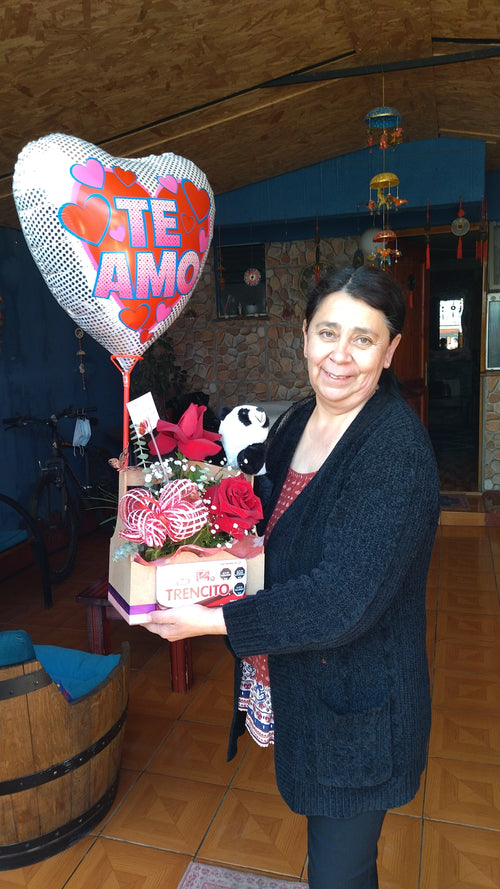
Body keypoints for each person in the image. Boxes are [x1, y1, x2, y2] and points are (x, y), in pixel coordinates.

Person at [140, 265, 440, 889]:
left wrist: (210, 621)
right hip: (308, 688)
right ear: (304, 335)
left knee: (339, 873)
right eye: (328, 332)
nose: (340, 355)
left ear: (390, 351)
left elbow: (341, 600)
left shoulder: (394, 451)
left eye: (363, 338)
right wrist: (191, 549)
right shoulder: (298, 422)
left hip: (358, 709)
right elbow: (262, 533)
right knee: (329, 853)